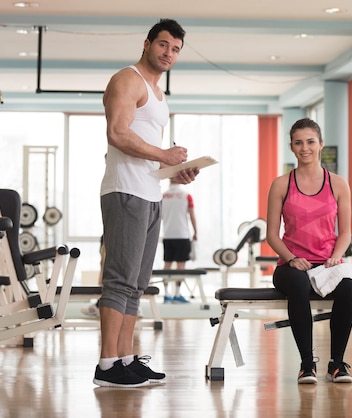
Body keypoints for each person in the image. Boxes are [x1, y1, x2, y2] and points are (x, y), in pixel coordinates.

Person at [94, 18, 199, 388]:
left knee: (138, 284)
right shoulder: (127, 80)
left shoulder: (158, 94)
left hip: (149, 192)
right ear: (147, 43)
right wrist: (164, 155)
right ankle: (107, 364)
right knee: (120, 279)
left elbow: (149, 156)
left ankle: (125, 358)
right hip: (125, 191)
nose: (169, 53)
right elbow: (117, 133)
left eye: (175, 49)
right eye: (164, 45)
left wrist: (175, 171)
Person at [266, 117, 352, 385]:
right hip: (290, 265)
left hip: (327, 264)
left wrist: (336, 257)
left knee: (348, 287)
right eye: (298, 142)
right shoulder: (281, 184)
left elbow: (346, 232)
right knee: (298, 283)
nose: (305, 147)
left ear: (320, 145)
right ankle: (307, 365)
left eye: (310, 142)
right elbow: (271, 234)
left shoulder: (338, 183)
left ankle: (337, 364)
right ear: (292, 147)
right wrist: (292, 258)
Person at [161, 179, 198, 303]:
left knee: (167, 265)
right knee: (180, 266)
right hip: (182, 235)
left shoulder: (163, 196)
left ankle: (166, 294)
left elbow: (157, 216)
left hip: (167, 234)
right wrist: (196, 231)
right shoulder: (186, 196)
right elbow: (192, 215)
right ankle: (177, 294)